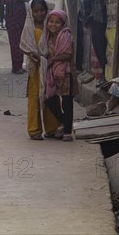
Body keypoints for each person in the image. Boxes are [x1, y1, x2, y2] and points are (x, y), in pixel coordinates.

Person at [20, 0, 60, 140]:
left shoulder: (49, 26)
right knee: (34, 98)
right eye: (36, 11)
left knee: (49, 95)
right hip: (35, 68)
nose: (39, 14)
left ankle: (52, 128)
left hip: (48, 66)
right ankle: (34, 130)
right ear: (31, 12)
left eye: (42, 10)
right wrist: (32, 54)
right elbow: (24, 45)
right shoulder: (28, 26)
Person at [42, 10, 78, 141]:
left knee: (67, 102)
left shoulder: (66, 35)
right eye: (51, 21)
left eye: (57, 22)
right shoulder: (47, 36)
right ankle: (64, 123)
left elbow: (68, 54)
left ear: (63, 24)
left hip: (66, 73)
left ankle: (67, 131)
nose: (53, 25)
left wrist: (53, 60)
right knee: (49, 98)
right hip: (52, 73)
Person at [78, 0, 108, 80]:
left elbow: (86, 1)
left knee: (99, 47)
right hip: (102, 16)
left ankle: (104, 78)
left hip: (95, 17)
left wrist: (84, 18)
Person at [0, 0, 28, 74]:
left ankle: (19, 65)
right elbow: (4, 0)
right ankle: (16, 67)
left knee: (21, 41)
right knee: (14, 42)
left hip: (21, 15)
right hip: (12, 16)